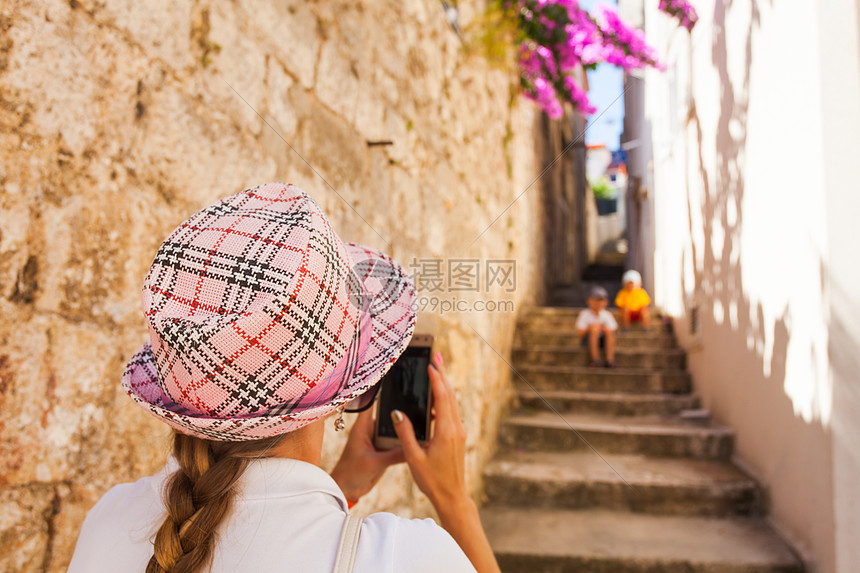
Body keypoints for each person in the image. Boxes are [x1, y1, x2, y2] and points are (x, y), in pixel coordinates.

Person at [67, 183, 500, 573]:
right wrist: (454, 501)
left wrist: (344, 485)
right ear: (351, 393)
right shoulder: (405, 557)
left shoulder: (109, 521)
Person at [575, 286, 618, 368]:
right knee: (594, 330)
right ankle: (595, 359)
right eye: (596, 300)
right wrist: (591, 328)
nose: (598, 303)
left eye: (601, 300)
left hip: (603, 340)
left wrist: (601, 328)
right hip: (588, 340)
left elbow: (612, 330)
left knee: (608, 332)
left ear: (606, 302)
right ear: (589, 301)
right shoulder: (584, 314)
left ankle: (610, 360)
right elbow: (581, 333)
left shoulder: (607, 315)